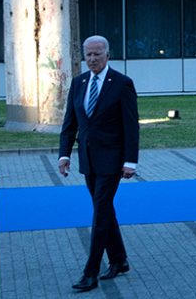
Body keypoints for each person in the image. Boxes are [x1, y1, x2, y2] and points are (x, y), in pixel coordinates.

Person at [58, 35, 139, 292]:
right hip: (88, 161)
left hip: (113, 161)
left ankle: (90, 272)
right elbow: (70, 123)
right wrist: (64, 155)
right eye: (88, 54)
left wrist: (130, 162)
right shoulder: (79, 82)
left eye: (97, 54)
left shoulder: (122, 84)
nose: (92, 59)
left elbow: (131, 127)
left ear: (107, 55)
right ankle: (120, 260)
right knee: (104, 210)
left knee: (100, 212)